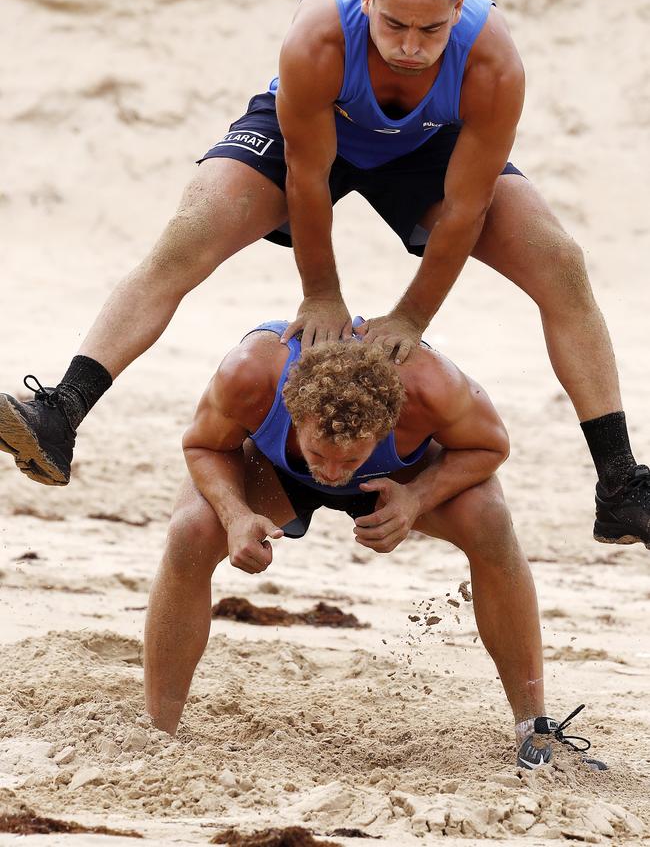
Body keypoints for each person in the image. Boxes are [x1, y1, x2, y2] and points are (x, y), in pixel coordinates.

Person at [1, 0, 647, 548]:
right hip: (314, 136)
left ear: (458, 9)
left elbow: (466, 206)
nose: (411, 46)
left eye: (431, 30)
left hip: (428, 150)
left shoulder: (492, 59)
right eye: (394, 25)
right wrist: (320, 294)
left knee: (560, 262)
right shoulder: (319, 35)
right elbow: (308, 180)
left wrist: (413, 315)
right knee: (190, 232)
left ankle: (620, 484)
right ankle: (63, 409)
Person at [144, 319, 605, 771]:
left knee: (489, 520)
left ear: (388, 422)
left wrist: (415, 499)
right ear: (295, 412)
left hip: (394, 478)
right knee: (191, 531)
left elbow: (491, 446)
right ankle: (156, 731)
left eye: (348, 456)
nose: (330, 471)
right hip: (276, 471)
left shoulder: (431, 386)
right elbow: (203, 445)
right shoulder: (249, 372)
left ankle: (533, 725)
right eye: (319, 453)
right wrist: (235, 516)